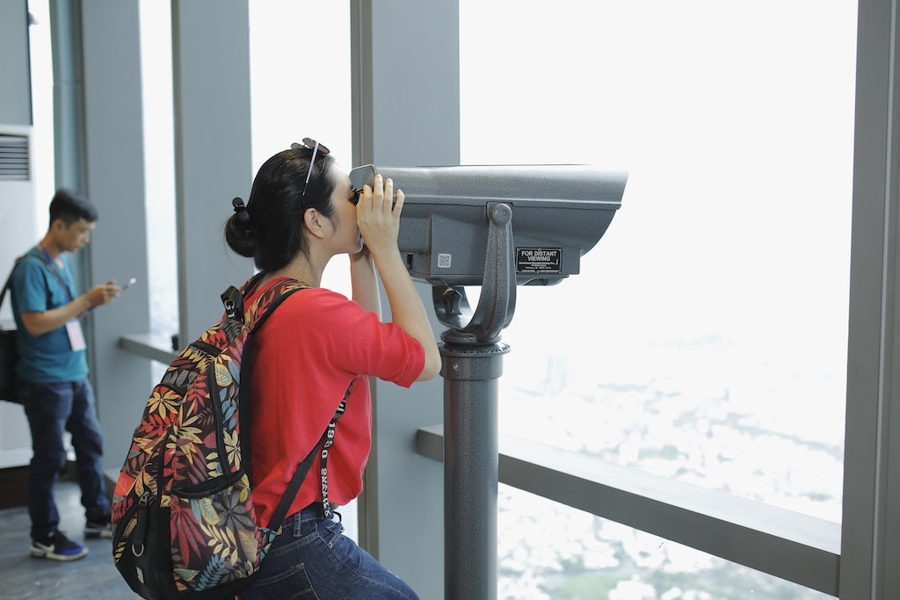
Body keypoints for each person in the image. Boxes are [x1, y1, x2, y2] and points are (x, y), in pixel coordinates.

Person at [225, 139, 441, 600]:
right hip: (295, 539)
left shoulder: (260, 293)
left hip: (255, 527)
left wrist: (361, 254)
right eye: (350, 195)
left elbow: (366, 346)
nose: (360, 204)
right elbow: (425, 360)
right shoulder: (315, 313)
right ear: (315, 221)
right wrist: (385, 249)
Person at [10, 189, 122, 562]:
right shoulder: (31, 267)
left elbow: (63, 316)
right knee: (50, 457)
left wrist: (91, 302)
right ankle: (43, 535)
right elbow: (35, 323)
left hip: (74, 373)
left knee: (90, 444)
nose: (85, 239)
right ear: (59, 225)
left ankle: (96, 515)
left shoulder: (62, 263)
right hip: (45, 379)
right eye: (82, 232)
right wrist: (86, 301)